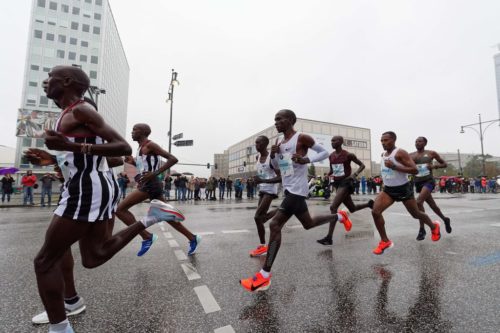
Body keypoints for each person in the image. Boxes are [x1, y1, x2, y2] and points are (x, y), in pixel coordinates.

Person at [26, 65, 183, 333]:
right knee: (91, 255)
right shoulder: (67, 114)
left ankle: (60, 326)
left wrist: (68, 147)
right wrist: (54, 157)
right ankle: (149, 219)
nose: (45, 82)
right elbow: (95, 156)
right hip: (87, 187)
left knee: (44, 261)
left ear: (66, 81)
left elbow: (121, 148)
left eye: (49, 77)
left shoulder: (81, 109)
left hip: (86, 189)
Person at [240, 109, 351, 292]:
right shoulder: (278, 142)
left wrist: (305, 159)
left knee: (275, 225)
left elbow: (324, 153)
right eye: (274, 119)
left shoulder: (301, 138)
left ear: (290, 120)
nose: (276, 122)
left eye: (279, 119)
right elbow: (277, 167)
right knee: (308, 223)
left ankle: (264, 276)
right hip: (288, 187)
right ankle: (339, 216)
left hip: (298, 190)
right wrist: (274, 155)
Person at [119, 123, 201, 256]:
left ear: (143, 132)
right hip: (149, 184)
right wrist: (133, 162)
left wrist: (155, 173)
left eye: (135, 129)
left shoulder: (150, 145)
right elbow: (144, 167)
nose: (132, 132)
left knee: (120, 210)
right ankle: (192, 238)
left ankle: (146, 237)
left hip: (151, 184)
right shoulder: (140, 148)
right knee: (166, 216)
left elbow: (173, 159)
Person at [370, 131, 441, 255]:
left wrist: (394, 167)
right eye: (381, 141)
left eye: (386, 140)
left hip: (403, 189)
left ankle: (434, 227)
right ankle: (384, 241)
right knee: (375, 212)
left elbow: (414, 170)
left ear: (393, 140)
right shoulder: (383, 154)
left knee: (416, 214)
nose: (383, 143)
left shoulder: (400, 153)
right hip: (388, 190)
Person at [317, 136, 374, 246]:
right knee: (351, 208)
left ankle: (329, 238)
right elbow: (332, 170)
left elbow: (362, 165)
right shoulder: (331, 156)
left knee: (333, 207)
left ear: (341, 142)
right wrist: (328, 175)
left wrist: (354, 174)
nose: (332, 142)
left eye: (335, 140)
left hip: (346, 183)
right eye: (331, 141)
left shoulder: (348, 155)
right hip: (337, 184)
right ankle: (368, 204)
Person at [410, 137, 451, 240]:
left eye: (420, 141)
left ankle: (422, 229)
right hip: (418, 182)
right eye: (416, 141)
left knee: (418, 202)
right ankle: (445, 219)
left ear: (425, 143)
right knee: (433, 205)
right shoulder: (411, 155)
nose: (417, 143)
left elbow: (444, 164)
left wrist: (434, 166)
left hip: (428, 181)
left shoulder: (431, 153)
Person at [250, 135, 281, 257]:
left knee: (257, 217)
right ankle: (282, 210)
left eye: (258, 143)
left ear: (265, 144)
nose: (256, 145)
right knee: (261, 218)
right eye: (255, 143)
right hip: (262, 190)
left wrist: (263, 181)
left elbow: (280, 177)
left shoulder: (271, 158)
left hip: (270, 190)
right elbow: (261, 175)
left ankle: (263, 246)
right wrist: (256, 180)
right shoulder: (257, 157)